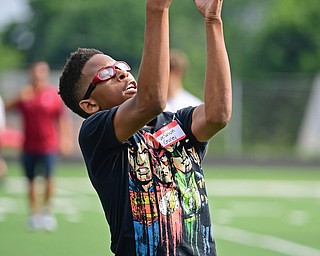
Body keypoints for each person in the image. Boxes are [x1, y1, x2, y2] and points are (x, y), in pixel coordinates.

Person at [59, 0, 231, 255]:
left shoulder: (178, 122)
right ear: (90, 104)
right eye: (105, 74)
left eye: (121, 66)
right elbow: (151, 101)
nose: (121, 73)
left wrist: (212, 21)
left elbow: (219, 114)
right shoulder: (95, 133)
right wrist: (157, 9)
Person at [5, 61, 73, 231]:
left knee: (49, 179)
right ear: (31, 73)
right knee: (30, 181)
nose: (38, 75)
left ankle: (47, 213)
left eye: (42, 71)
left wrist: (65, 139)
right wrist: (18, 97)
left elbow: (62, 119)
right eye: (36, 71)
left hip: (48, 145)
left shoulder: (52, 95)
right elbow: (6, 109)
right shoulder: (25, 94)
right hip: (28, 146)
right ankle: (33, 215)